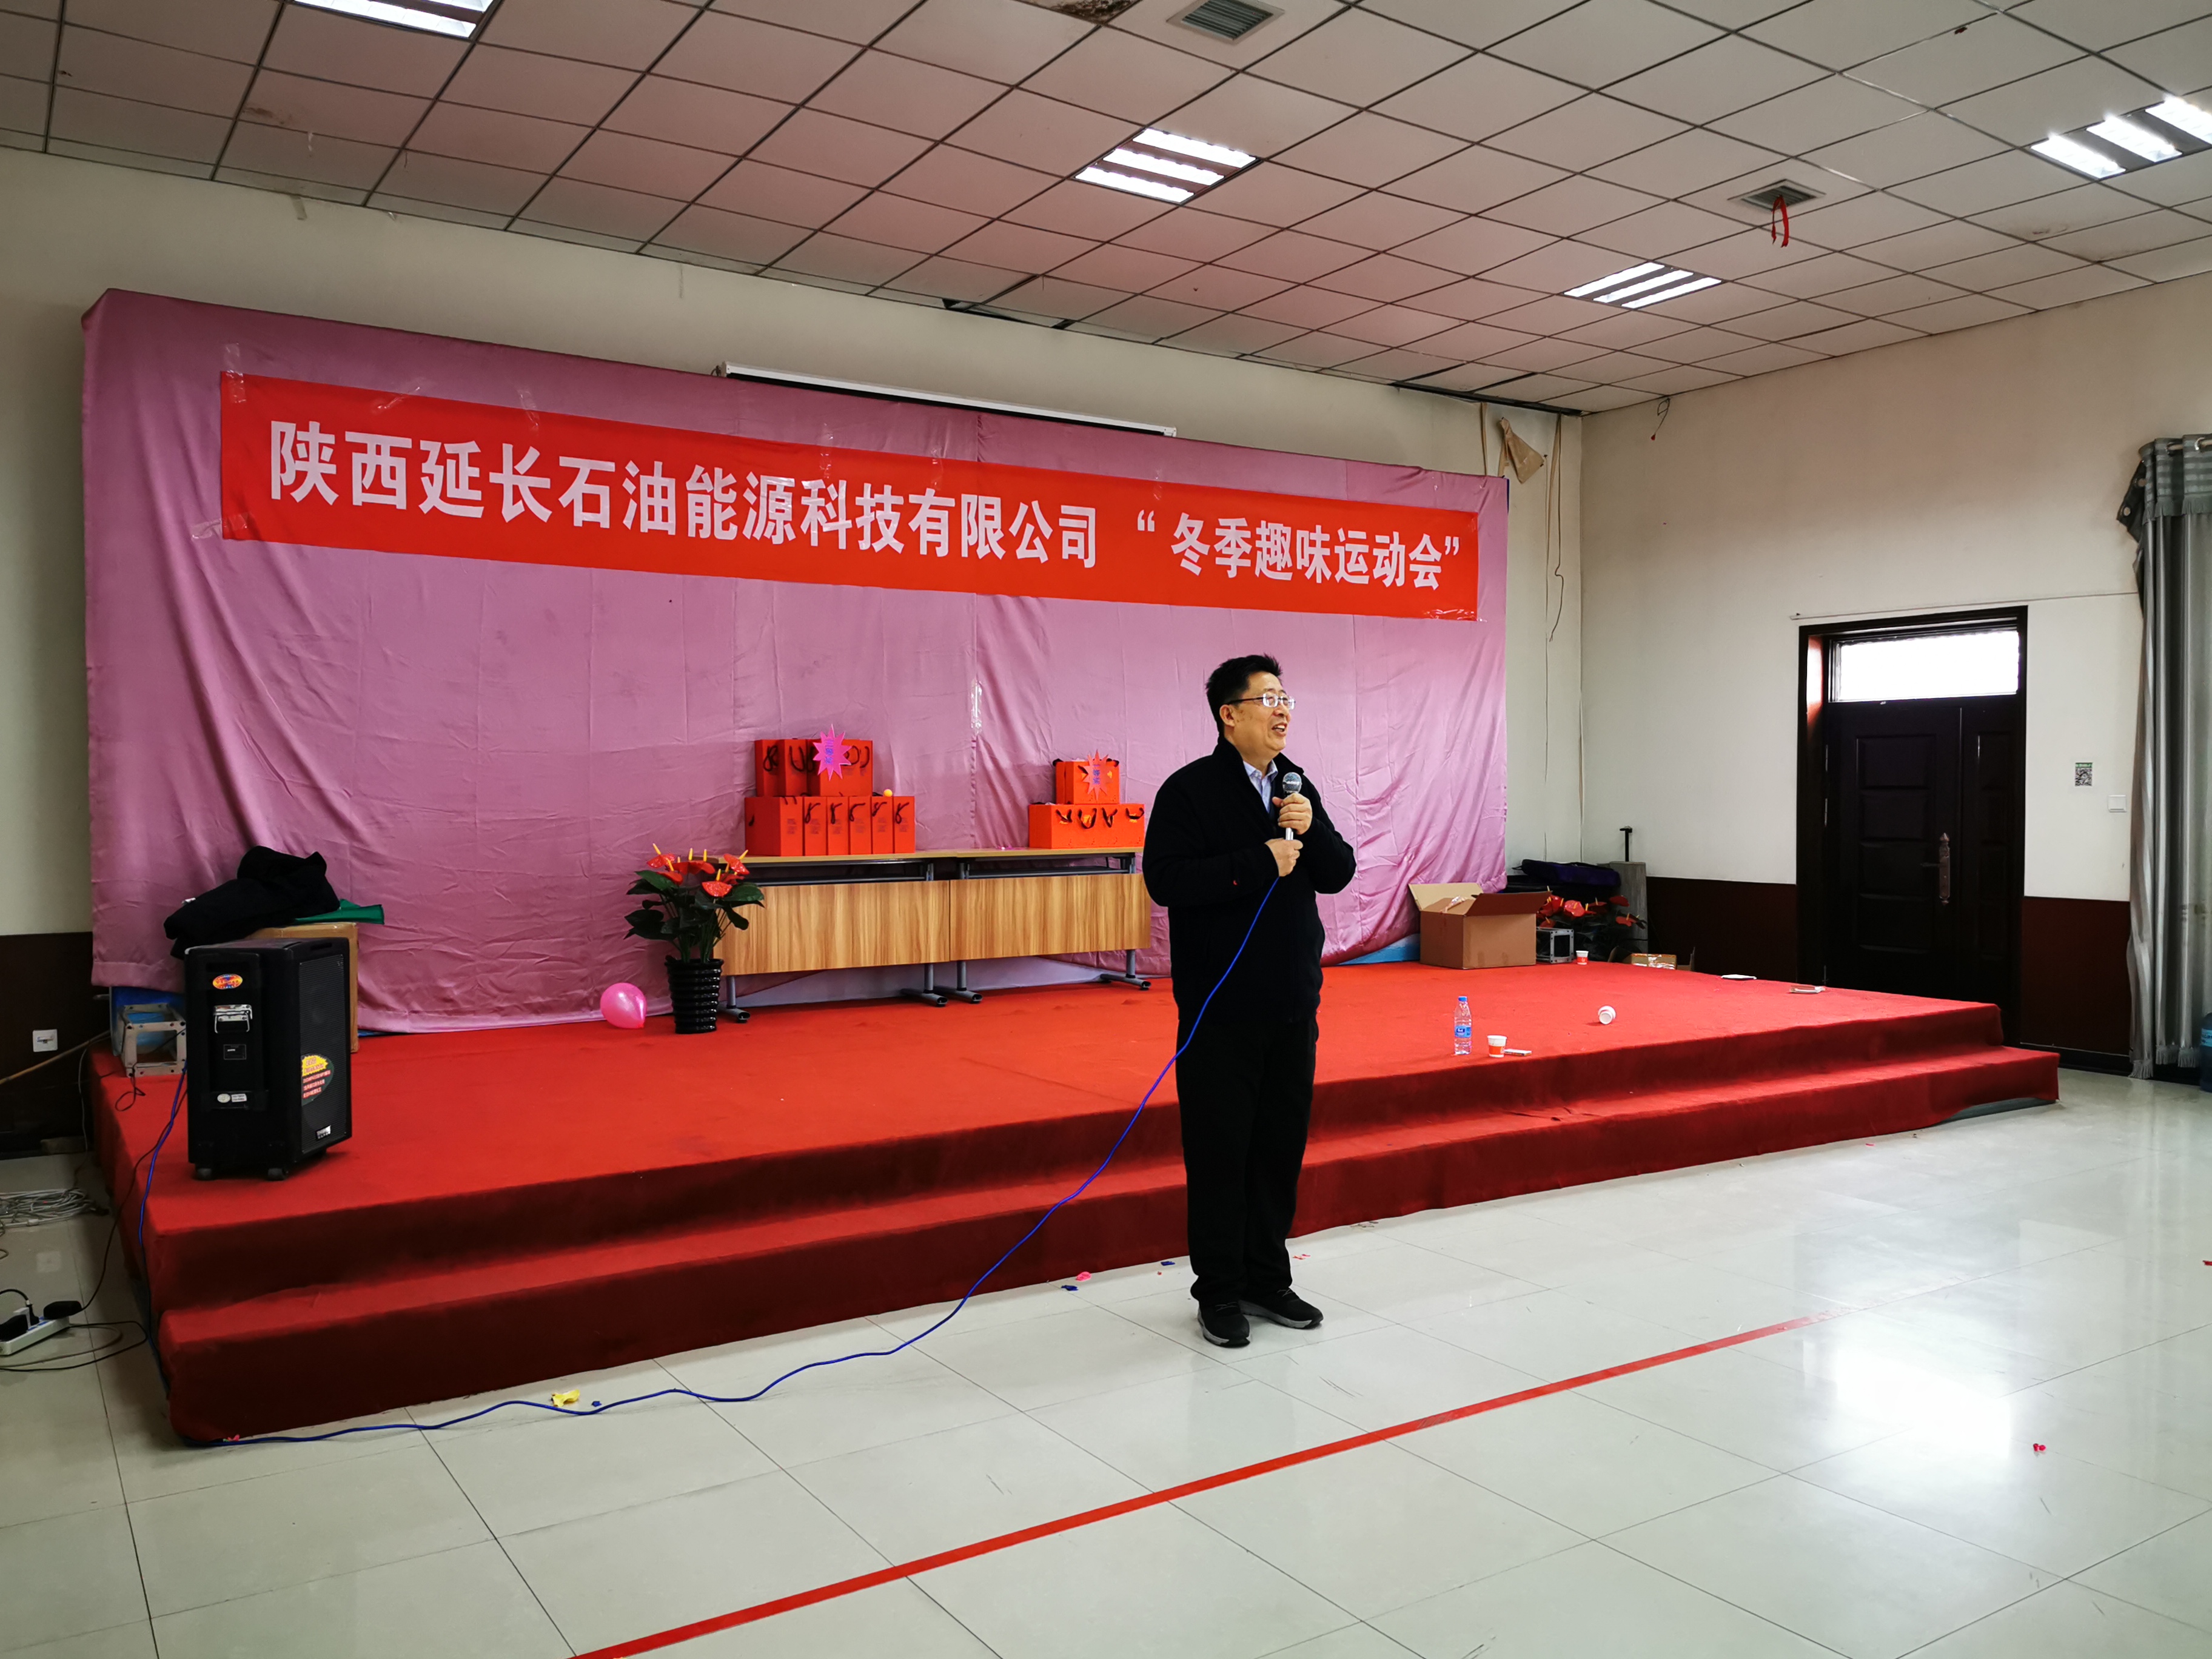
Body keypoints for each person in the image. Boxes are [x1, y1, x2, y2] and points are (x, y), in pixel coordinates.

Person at [1142, 654, 1356, 1348]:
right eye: (1267, 698)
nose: (1282, 708)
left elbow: (1337, 873)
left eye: (1285, 696)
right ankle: (1219, 1290)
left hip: (1292, 1001)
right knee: (1220, 1152)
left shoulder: (1296, 787)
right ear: (1229, 714)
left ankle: (1268, 1278)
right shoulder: (1189, 791)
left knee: (1277, 1149)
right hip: (1221, 1007)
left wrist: (1310, 826)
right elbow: (1167, 881)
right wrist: (1259, 861)